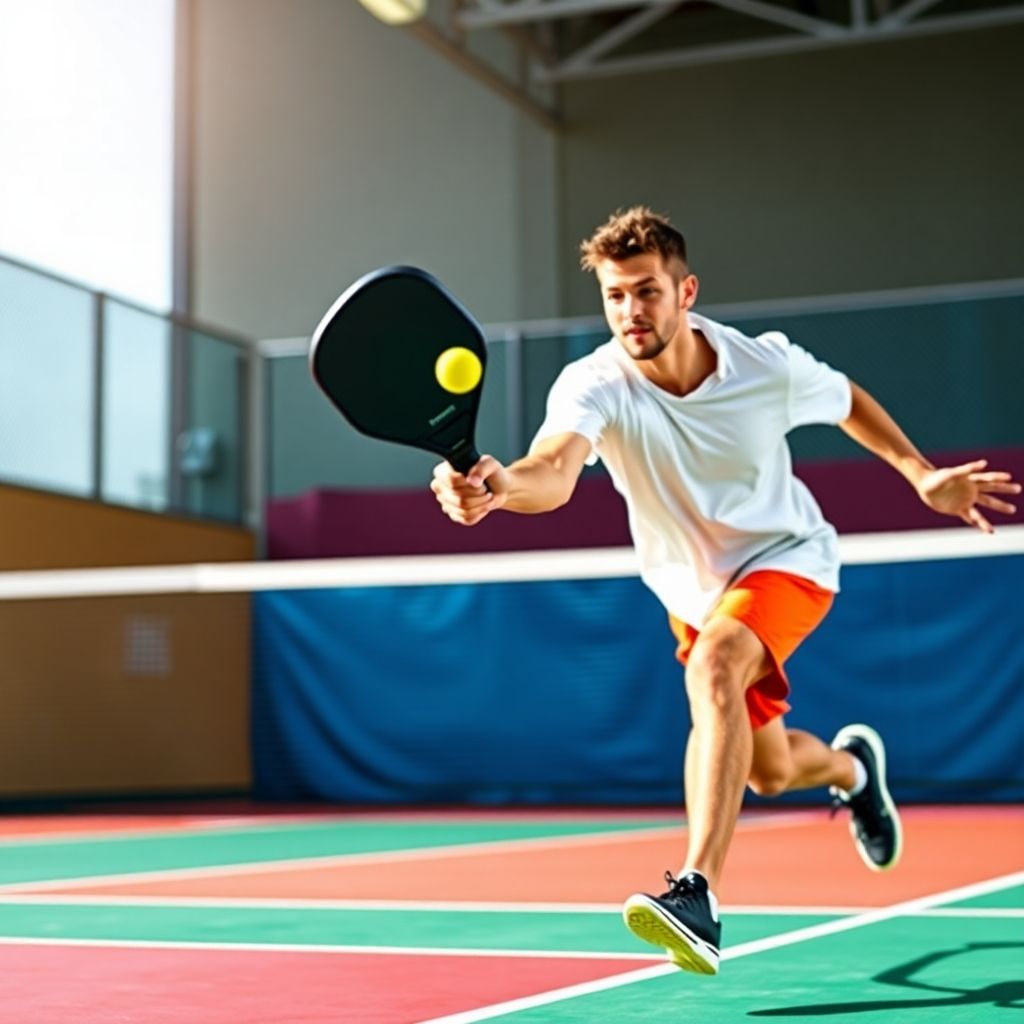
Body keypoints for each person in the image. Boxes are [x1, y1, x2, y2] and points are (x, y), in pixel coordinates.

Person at [429, 207, 1020, 976]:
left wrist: (919, 475)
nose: (629, 313)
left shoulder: (761, 367)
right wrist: (501, 486)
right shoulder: (595, 382)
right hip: (692, 590)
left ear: (686, 292)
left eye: (646, 292)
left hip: (787, 558)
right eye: (614, 297)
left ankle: (697, 894)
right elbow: (554, 470)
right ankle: (852, 771)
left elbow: (847, 401)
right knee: (768, 772)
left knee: (715, 666)